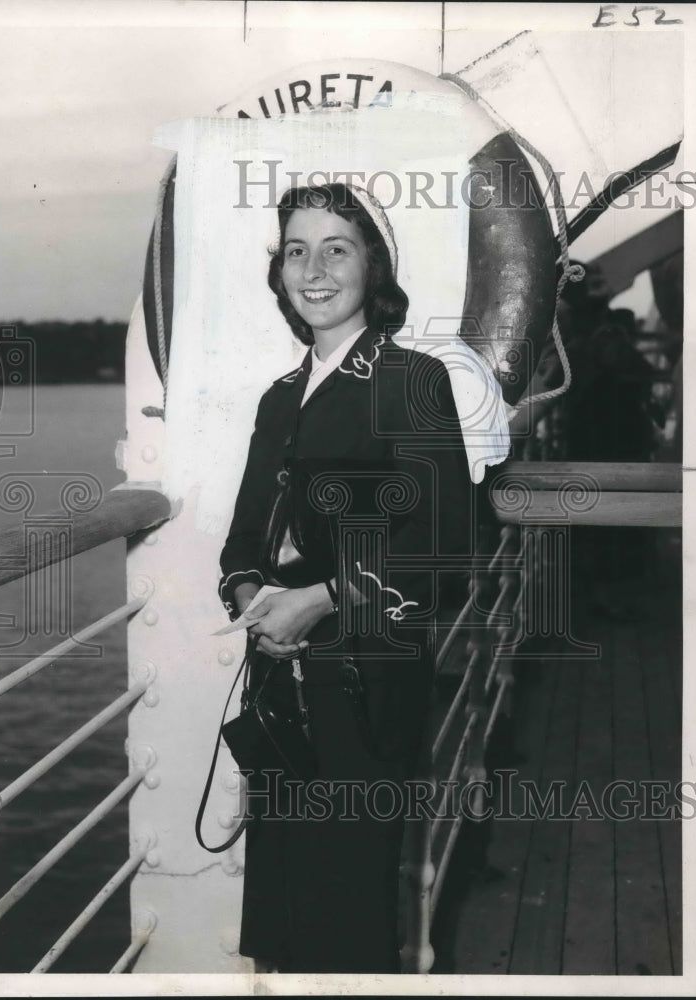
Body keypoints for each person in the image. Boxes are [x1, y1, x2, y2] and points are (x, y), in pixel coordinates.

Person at [217, 183, 473, 973]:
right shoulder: (279, 399)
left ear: (373, 267)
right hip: (281, 691)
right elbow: (240, 543)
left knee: (351, 912)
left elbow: (441, 550)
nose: (314, 269)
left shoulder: (410, 380)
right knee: (285, 913)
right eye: (296, 250)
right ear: (279, 273)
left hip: (363, 690)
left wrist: (319, 601)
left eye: (337, 248)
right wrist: (250, 596)